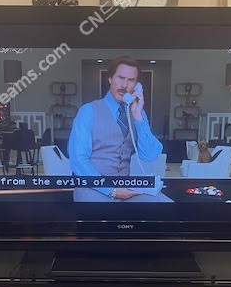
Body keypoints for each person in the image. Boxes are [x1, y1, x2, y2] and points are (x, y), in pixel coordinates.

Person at [68, 55, 171, 202]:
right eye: (120, 78)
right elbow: (78, 161)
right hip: (92, 187)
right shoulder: (88, 111)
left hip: (125, 189)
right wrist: (111, 190)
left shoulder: (137, 112)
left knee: (166, 205)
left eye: (131, 80)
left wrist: (138, 117)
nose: (124, 85)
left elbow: (150, 156)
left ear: (136, 85)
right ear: (110, 78)